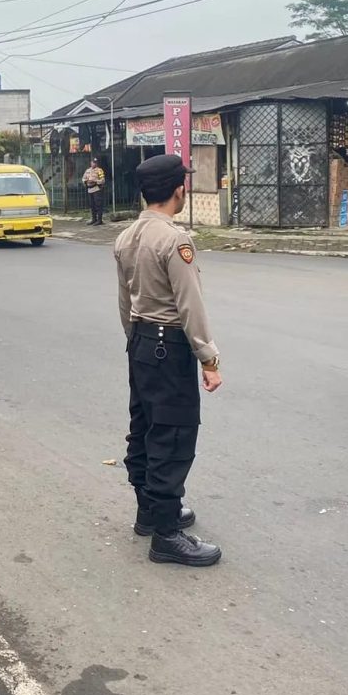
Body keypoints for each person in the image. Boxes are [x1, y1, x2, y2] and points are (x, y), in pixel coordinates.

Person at [113, 153, 223, 568]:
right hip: (169, 346)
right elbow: (190, 306)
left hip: (140, 342)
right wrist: (208, 359)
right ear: (180, 189)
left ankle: (149, 512)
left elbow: (125, 303)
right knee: (172, 437)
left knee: (144, 428)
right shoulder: (175, 240)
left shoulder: (126, 238)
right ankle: (166, 535)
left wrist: (136, 342)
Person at [82, 157, 106, 225]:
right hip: (90, 189)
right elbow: (83, 178)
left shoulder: (99, 170)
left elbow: (103, 180)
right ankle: (94, 219)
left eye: (95, 162)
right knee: (92, 205)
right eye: (93, 162)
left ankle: (99, 220)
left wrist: (95, 181)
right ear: (91, 163)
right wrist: (86, 181)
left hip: (96, 189)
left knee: (98, 205)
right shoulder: (87, 170)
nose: (94, 164)